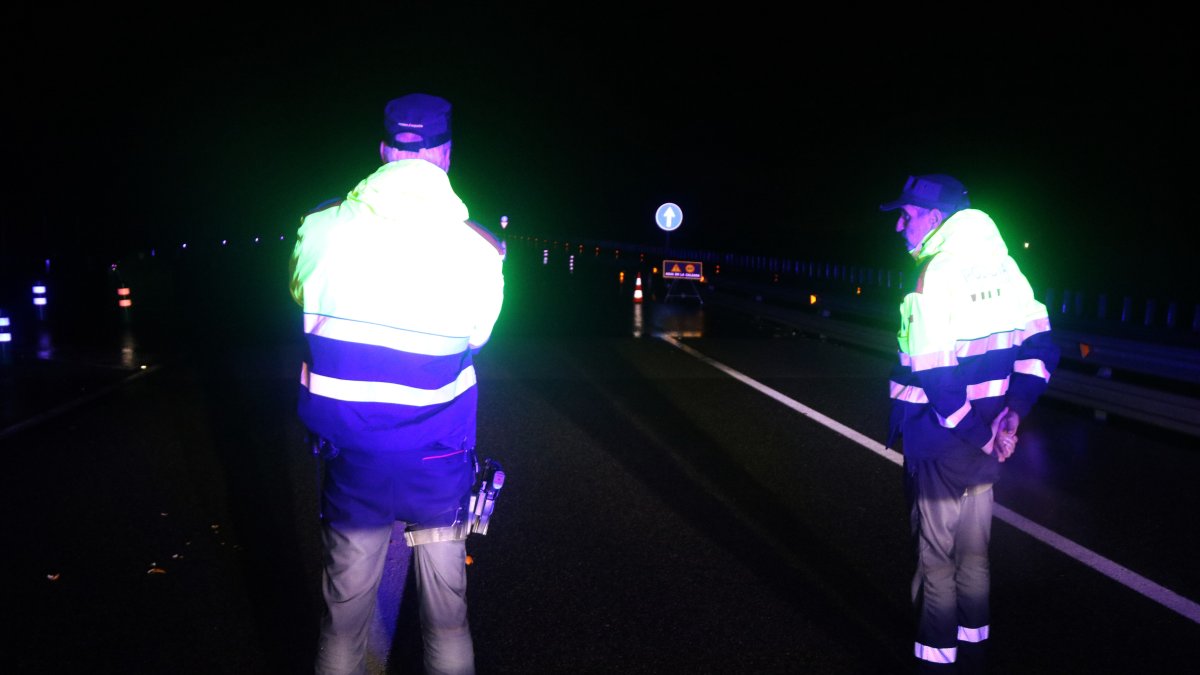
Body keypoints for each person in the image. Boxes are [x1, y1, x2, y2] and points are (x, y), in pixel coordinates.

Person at [290, 92, 505, 675]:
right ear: (446, 154)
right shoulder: (479, 249)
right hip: (438, 461)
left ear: (384, 150)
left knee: (343, 623)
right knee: (448, 621)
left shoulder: (319, 227)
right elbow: (478, 336)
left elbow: (302, 298)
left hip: (354, 459)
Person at [881, 174, 1059, 673]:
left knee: (935, 559)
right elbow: (1042, 348)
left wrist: (983, 436)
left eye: (907, 215)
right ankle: (975, 649)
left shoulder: (934, 275)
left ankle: (936, 659)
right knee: (975, 555)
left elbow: (937, 378)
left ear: (935, 218)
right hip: (987, 439)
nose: (899, 226)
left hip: (940, 442)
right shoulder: (1008, 268)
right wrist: (1012, 415)